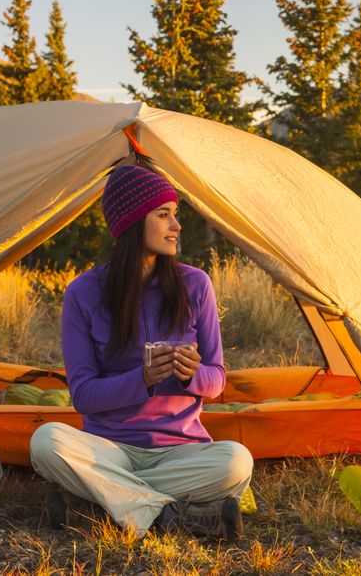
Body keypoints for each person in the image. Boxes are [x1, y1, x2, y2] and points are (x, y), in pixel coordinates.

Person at [29, 164, 252, 539]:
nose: (176, 226)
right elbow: (83, 395)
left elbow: (217, 379)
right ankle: (168, 514)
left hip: (181, 448)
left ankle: (101, 500)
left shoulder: (195, 285)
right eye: (163, 215)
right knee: (46, 441)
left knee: (236, 461)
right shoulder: (84, 293)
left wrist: (192, 374)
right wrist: (143, 379)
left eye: (175, 215)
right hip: (108, 446)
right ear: (133, 224)